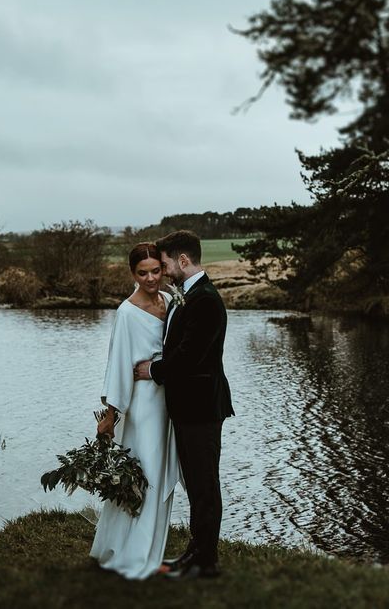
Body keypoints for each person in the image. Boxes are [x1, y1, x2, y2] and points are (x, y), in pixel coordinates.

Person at [134, 229, 234, 580]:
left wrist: (153, 371)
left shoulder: (205, 299)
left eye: (164, 264)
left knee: (205, 485)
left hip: (203, 408)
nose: (162, 271)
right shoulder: (187, 296)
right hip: (189, 408)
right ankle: (195, 550)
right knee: (195, 483)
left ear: (183, 261)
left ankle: (206, 561)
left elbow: (190, 357)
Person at [89, 242, 181, 580]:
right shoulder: (126, 312)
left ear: (162, 268)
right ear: (133, 274)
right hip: (143, 405)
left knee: (159, 472)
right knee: (145, 475)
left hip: (167, 400)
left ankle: (147, 546)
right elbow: (117, 364)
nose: (151, 278)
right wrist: (111, 416)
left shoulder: (170, 302)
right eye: (142, 273)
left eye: (156, 270)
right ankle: (134, 554)